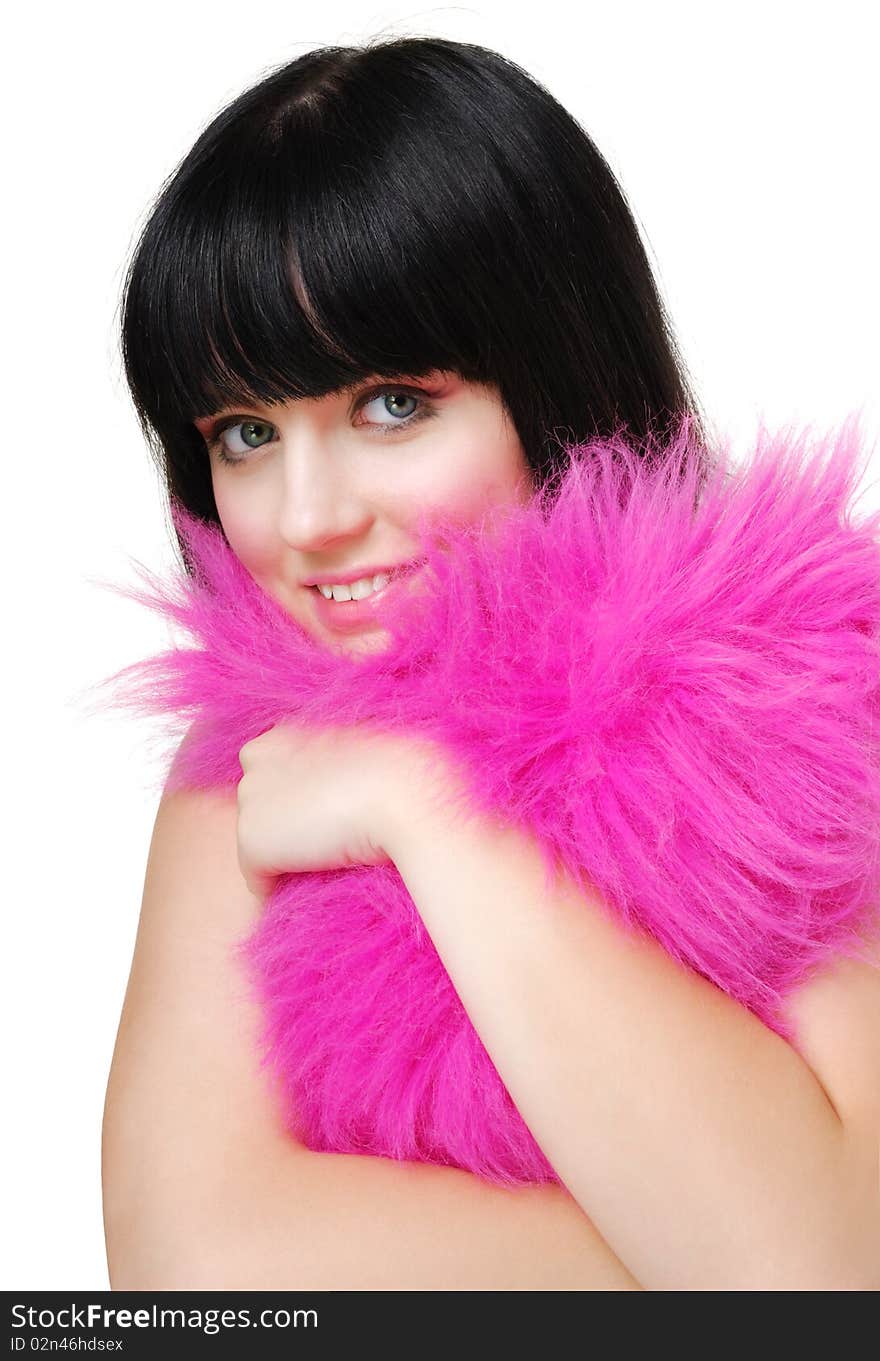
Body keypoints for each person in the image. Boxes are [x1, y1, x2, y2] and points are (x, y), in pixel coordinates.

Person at [101, 35, 880, 1290]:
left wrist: (425, 811)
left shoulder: (798, 692)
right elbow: (186, 1269)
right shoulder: (251, 764)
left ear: (554, 372)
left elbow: (824, 1275)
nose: (305, 519)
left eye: (390, 404)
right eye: (245, 432)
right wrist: (686, 1239)